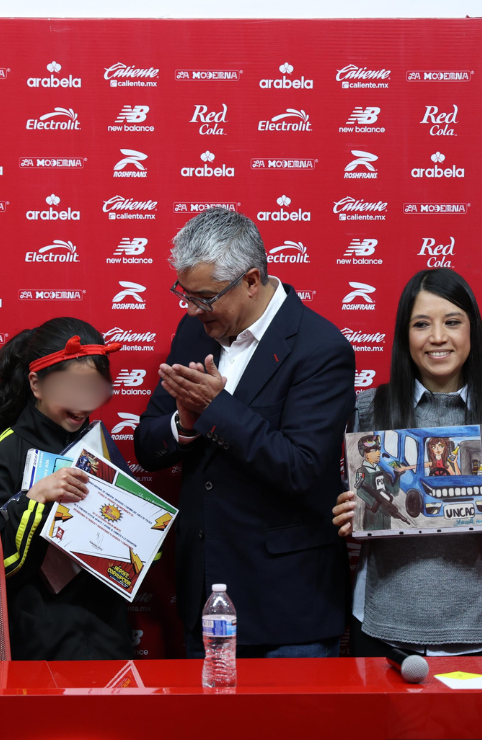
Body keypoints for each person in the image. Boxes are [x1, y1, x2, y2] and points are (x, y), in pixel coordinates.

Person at [134, 208, 355, 659]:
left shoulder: (321, 348)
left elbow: (302, 468)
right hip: (204, 597)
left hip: (287, 608)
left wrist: (217, 409)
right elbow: (147, 444)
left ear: (251, 281)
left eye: (205, 297)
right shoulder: (193, 333)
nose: (193, 309)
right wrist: (184, 425)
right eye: (186, 294)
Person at [332, 267, 482, 657]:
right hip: (383, 625)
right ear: (405, 335)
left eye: (451, 322)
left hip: (481, 626)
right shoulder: (368, 410)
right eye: (421, 324)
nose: (437, 338)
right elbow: (358, 506)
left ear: (471, 331)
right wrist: (353, 515)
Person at [0, 317, 133, 660]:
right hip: (36, 642)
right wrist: (35, 498)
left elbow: (134, 550)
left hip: (108, 635)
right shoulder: (5, 452)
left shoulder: (101, 445)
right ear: (37, 384)